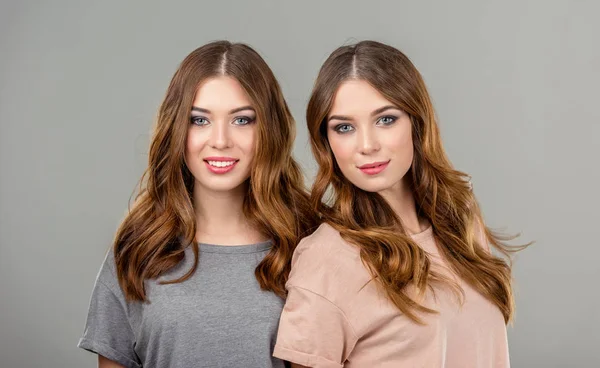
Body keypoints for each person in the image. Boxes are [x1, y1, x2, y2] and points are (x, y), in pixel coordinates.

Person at [273, 40, 525, 368]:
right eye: (344, 127)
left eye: (386, 119)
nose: (367, 145)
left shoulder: (460, 221)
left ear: (416, 122)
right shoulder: (327, 261)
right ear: (327, 142)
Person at [78, 40, 315, 368]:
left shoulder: (309, 244)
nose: (220, 140)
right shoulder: (137, 249)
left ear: (269, 129)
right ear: (177, 128)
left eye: (242, 120)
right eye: (199, 120)